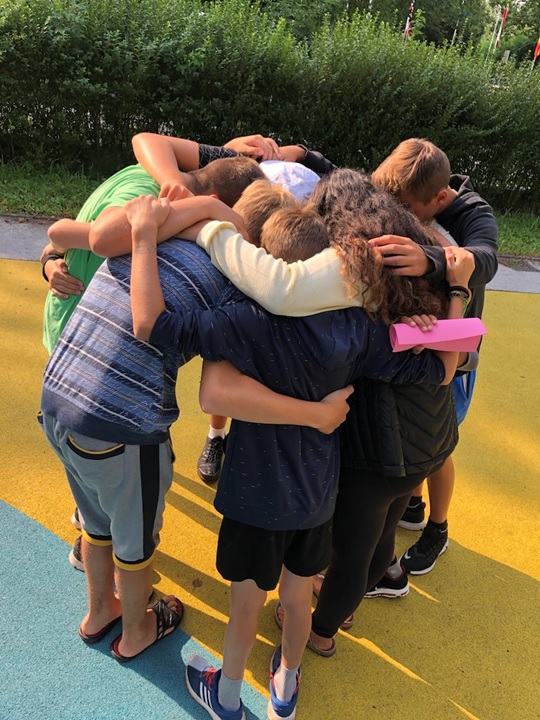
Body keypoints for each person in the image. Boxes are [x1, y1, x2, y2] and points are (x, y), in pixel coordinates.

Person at [123, 183, 463, 718]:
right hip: (317, 495)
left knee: (244, 604)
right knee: (298, 594)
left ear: (262, 262)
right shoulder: (360, 326)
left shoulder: (244, 321)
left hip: (254, 498)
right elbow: (442, 370)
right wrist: (444, 307)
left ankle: (227, 695)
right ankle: (285, 685)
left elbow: (152, 325)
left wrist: (143, 240)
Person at [40, 172, 355, 665]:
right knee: (135, 535)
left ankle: (100, 611)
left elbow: (84, 236)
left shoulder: (155, 228)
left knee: (96, 522)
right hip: (119, 416)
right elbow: (215, 389)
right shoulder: (235, 283)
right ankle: (139, 628)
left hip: (58, 392)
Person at [41, 149, 267, 569]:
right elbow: (102, 241)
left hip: (75, 352)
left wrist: (49, 260)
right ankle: (120, 580)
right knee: (112, 472)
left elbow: (61, 231)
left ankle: (98, 528)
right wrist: (200, 214)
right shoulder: (152, 199)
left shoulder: (162, 200)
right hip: (95, 349)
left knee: (90, 458)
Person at [130, 131, 326, 485]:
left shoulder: (271, 267)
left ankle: (219, 436)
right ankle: (216, 436)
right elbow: (146, 139)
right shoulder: (236, 168)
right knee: (225, 357)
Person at [367, 137, 498, 577]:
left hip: (455, 356)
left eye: (407, 209)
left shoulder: (473, 213)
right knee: (412, 432)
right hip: (416, 344)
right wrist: (304, 156)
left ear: (439, 199)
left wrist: (429, 260)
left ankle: (437, 529)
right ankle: (416, 505)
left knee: (437, 446)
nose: (398, 216)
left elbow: (484, 258)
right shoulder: (406, 189)